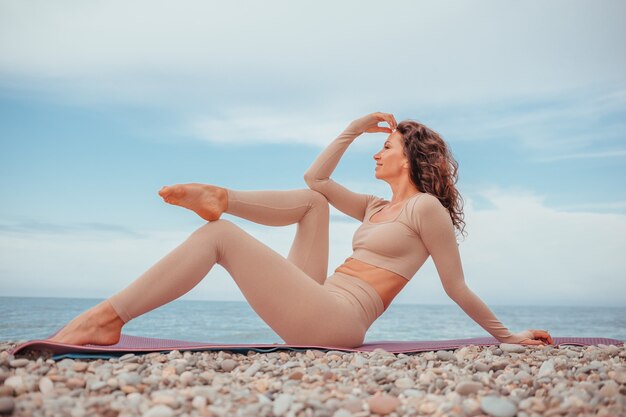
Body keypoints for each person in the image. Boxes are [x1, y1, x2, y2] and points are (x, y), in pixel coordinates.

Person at [48, 112, 554, 349]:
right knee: (314, 202)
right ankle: (225, 199)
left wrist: (507, 338)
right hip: (317, 298)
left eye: (386, 147)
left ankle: (106, 318)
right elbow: (314, 180)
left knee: (217, 237)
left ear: (410, 158)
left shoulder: (426, 210)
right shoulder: (377, 206)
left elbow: (455, 285)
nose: (377, 153)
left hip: (339, 321)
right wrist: (354, 129)